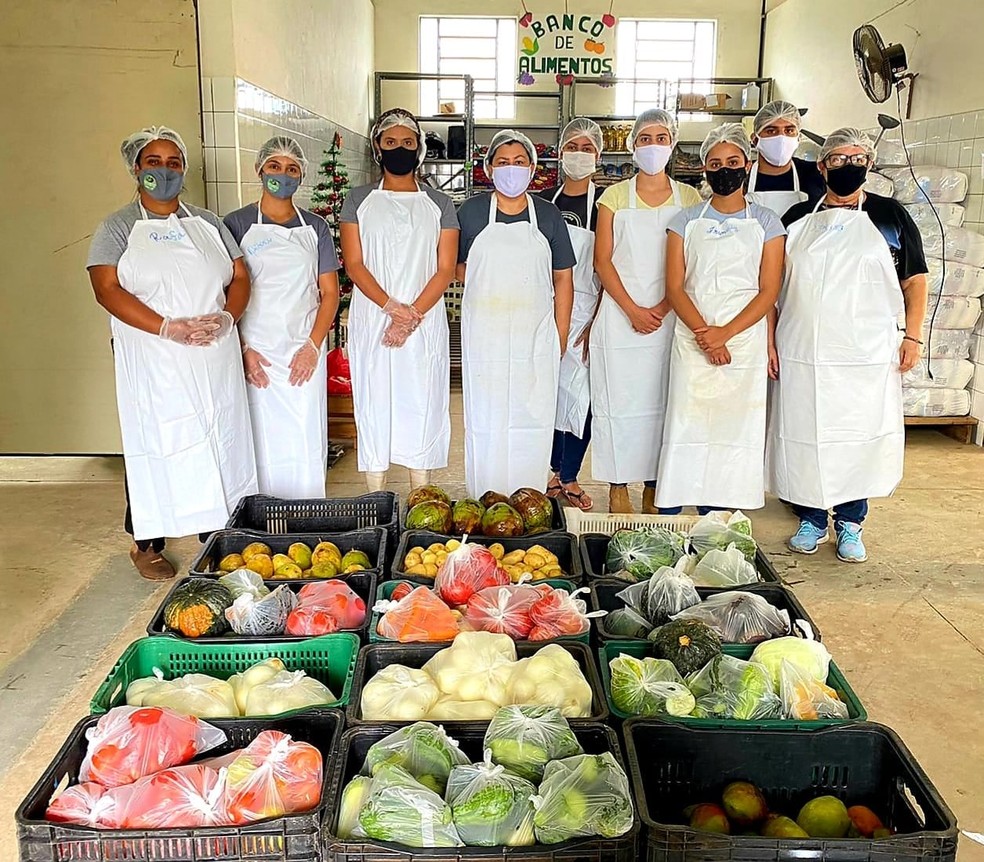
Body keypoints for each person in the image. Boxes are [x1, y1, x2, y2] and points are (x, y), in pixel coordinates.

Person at [86, 126, 257, 580]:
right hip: (154, 356)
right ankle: (146, 542)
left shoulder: (209, 223)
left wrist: (228, 318)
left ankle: (214, 534)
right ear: (136, 168)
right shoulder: (118, 227)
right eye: (154, 162)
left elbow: (240, 277)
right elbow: (106, 288)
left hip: (212, 354)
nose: (164, 171)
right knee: (155, 440)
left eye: (173, 163)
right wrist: (166, 326)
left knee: (217, 436)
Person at [769, 128, 928, 563]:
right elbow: (772, 287)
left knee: (857, 436)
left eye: (857, 158)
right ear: (821, 167)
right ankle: (811, 518)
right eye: (838, 159)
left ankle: (851, 522)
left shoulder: (890, 216)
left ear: (869, 164)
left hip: (865, 354)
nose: (847, 166)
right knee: (805, 431)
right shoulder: (797, 217)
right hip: (803, 349)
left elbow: (914, 281)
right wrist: (770, 342)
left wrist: (913, 336)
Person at [657, 124, 786, 512]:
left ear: (747, 165)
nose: (724, 169)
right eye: (715, 163)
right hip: (692, 338)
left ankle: (716, 515)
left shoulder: (767, 223)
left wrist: (725, 333)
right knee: (687, 424)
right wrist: (705, 334)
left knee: (734, 430)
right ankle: (672, 513)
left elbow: (769, 290)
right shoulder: (684, 221)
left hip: (743, 342)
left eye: (732, 162)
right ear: (704, 169)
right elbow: (675, 287)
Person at [340, 108, 459, 492]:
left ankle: (420, 493)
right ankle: (376, 494)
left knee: (421, 399)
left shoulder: (439, 204)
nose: (399, 149)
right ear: (377, 147)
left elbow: (445, 269)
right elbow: (354, 264)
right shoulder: (357, 200)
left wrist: (411, 315)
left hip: (423, 320)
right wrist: (392, 308)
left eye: (408, 142)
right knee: (375, 397)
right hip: (374, 316)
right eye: (391, 142)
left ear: (419, 148)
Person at [591, 109, 702, 514]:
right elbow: (603, 260)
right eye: (645, 138)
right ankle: (618, 485)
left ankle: (656, 484)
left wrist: (665, 305)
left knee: (663, 403)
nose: (653, 145)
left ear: (672, 144)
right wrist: (632, 309)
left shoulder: (689, 198)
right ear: (632, 145)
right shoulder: (613, 197)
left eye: (661, 138)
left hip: (672, 316)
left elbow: (693, 261)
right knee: (617, 403)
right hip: (620, 317)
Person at [457, 129, 575, 498]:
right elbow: (456, 267)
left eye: (520, 162)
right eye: (504, 162)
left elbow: (563, 278)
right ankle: (485, 496)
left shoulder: (548, 214)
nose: (512, 169)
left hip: (535, 334)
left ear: (532, 169)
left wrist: (560, 335)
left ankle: (529, 498)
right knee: (486, 417)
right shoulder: (471, 212)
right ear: (489, 168)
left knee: (532, 416)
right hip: (485, 335)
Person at [223, 136, 340, 498]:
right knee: (258, 440)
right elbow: (224, 294)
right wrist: (242, 349)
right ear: (259, 169)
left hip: (303, 349)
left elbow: (330, 293)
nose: (282, 175)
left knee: (304, 438)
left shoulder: (315, 227)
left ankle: (307, 515)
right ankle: (258, 517)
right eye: (274, 166)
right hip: (255, 352)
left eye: (292, 169)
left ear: (301, 176)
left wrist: (312, 346)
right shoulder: (236, 224)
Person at [539, 117, 605, 511]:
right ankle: (549, 472)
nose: (579, 154)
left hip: (586, 311)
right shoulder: (543, 202)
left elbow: (611, 264)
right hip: (543, 307)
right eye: (572, 147)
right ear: (560, 152)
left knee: (582, 399)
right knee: (546, 394)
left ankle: (570, 474)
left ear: (598, 155)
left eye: (587, 148)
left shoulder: (606, 204)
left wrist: (597, 319)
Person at [745, 100, 825, 218]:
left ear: (798, 138)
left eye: (789, 131)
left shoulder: (815, 174)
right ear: (755, 139)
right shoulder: (740, 176)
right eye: (771, 131)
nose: (781, 138)